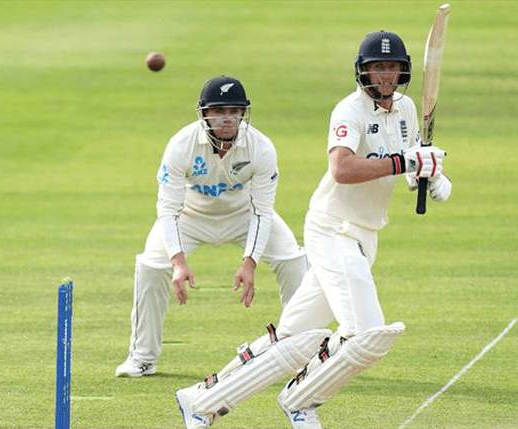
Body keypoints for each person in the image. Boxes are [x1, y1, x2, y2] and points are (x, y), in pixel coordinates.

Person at [174, 31, 452, 429]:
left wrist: (427, 173)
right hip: (332, 230)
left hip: (365, 235)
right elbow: (343, 169)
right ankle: (299, 401)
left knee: (293, 336)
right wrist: (404, 164)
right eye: (378, 68)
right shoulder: (348, 111)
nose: (385, 76)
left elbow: (401, 163)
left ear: (402, 70)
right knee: (366, 335)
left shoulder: (407, 110)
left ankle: (200, 400)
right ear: (363, 72)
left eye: (392, 68)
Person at [115, 75, 308, 377]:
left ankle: (302, 353)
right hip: (190, 216)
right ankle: (142, 357)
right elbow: (167, 209)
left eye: (234, 112)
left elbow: (262, 210)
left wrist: (249, 262)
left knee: (294, 260)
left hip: (244, 214)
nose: (227, 119)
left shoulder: (261, 147)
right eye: (219, 111)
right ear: (204, 113)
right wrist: (178, 262)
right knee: (151, 266)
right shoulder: (181, 144)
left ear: (243, 113)